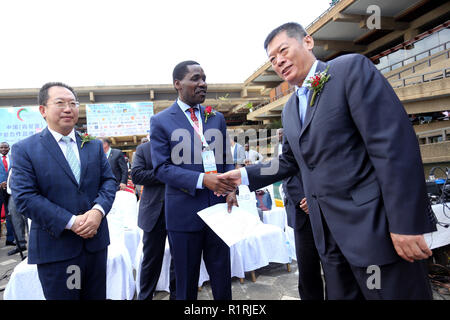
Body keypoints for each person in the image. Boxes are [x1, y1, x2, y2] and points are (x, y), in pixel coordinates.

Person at [218, 22, 436, 299]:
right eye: (272, 59)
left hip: (375, 232)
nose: (278, 61)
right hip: (329, 242)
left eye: (283, 50)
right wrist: (242, 177)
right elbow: (289, 161)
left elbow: (393, 146)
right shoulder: (289, 109)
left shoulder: (349, 70)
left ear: (308, 42)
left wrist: (406, 224)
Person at [10, 82, 116, 300]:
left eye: (73, 103)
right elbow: (25, 198)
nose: (68, 109)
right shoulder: (25, 149)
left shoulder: (93, 146)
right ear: (43, 110)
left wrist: (97, 212)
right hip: (57, 249)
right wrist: (71, 222)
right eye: (60, 103)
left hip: (95, 246)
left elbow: (108, 182)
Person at [150, 60, 237, 300]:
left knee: (222, 278)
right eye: (196, 78)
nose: (203, 84)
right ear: (178, 84)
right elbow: (161, 168)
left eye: (204, 78)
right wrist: (202, 180)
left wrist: (231, 189)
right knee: (186, 283)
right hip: (184, 214)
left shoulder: (216, 118)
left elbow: (225, 158)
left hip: (219, 210)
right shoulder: (161, 121)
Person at [278, 129, 324, 300]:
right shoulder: (291, 128)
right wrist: (303, 200)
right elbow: (288, 174)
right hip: (302, 214)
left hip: (328, 208)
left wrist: (318, 200)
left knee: (336, 270)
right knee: (307, 270)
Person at [131, 139, 176, 300]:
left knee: (178, 259)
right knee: (151, 259)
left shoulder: (180, 147)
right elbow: (136, 175)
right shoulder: (143, 149)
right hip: (153, 213)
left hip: (179, 210)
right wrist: (165, 173)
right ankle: (145, 297)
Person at [0, 142, 15, 246]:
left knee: (11, 214)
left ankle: (10, 239)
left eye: (6, 147)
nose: (4, 149)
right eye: (1, 147)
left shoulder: (13, 158)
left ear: (9, 148)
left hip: (10, 190)